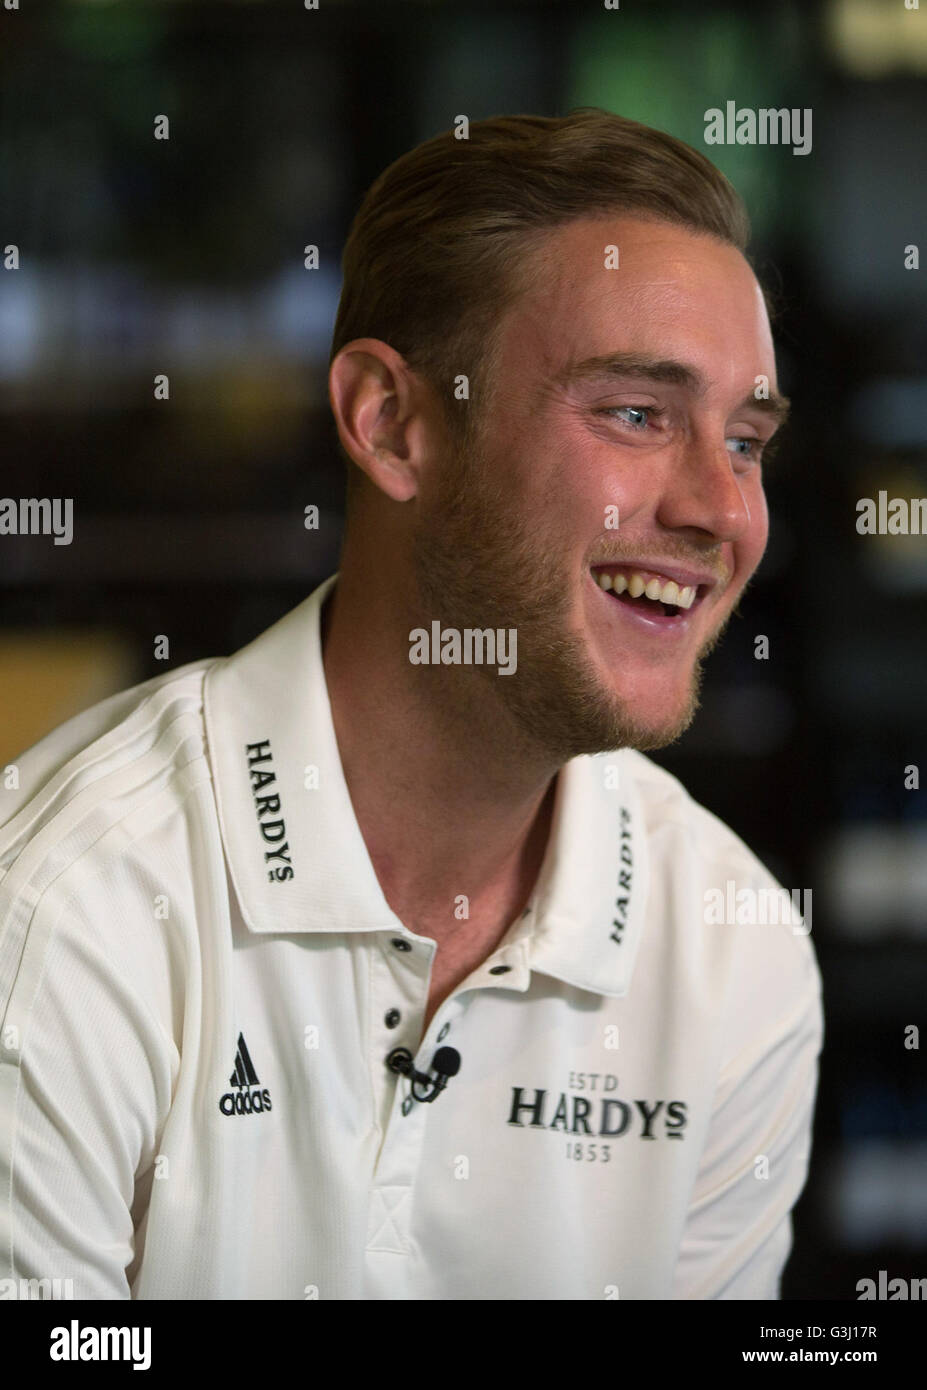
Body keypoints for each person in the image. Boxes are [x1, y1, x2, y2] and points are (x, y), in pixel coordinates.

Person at [0, 110, 822, 1300]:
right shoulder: (66, 916)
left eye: (746, 440)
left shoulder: (732, 950)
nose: (724, 510)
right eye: (637, 414)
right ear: (393, 423)